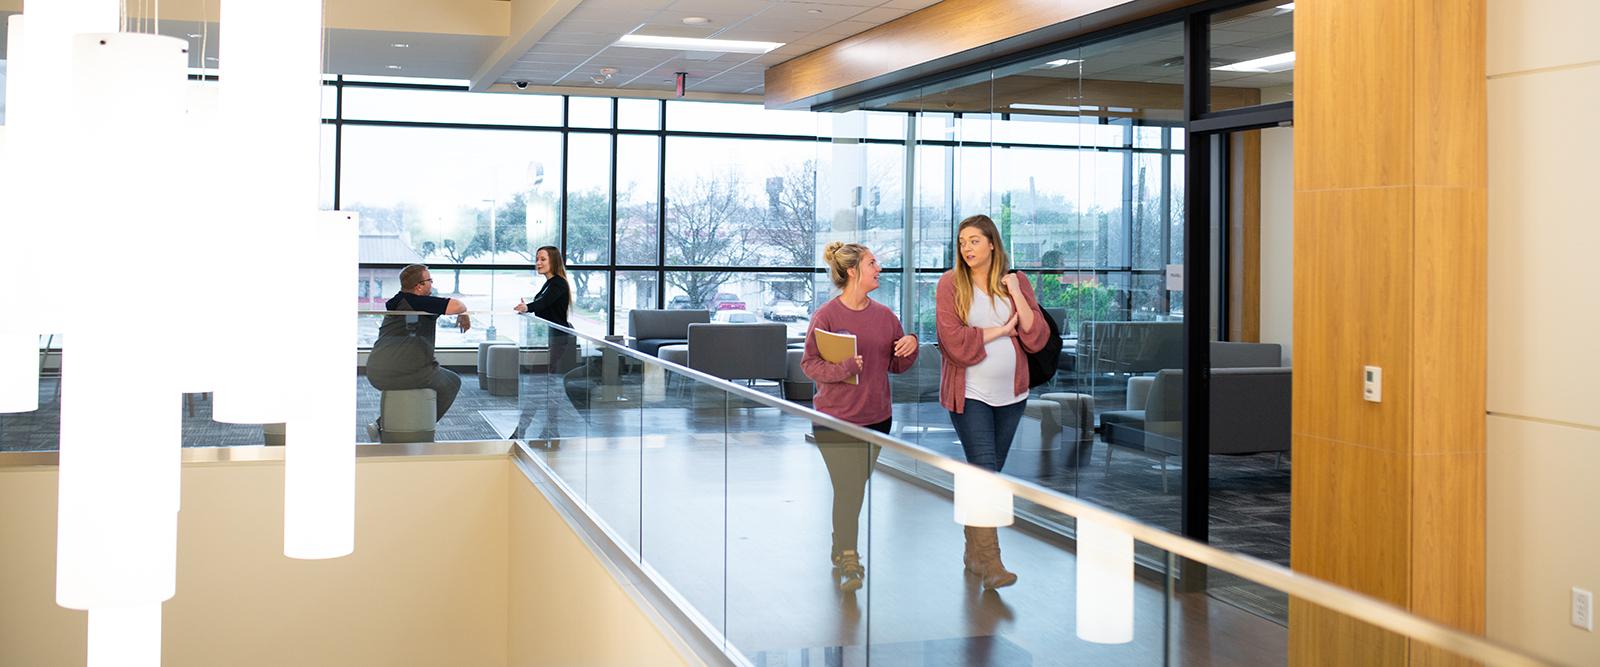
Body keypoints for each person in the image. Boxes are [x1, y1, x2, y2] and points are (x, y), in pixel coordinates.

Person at [935, 214, 1049, 589]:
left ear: (992, 244)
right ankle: (993, 564)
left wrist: (1015, 292)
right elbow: (952, 340)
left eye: (974, 241)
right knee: (984, 473)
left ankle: (973, 550)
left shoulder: (1016, 281)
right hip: (971, 393)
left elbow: (1035, 336)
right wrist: (1000, 330)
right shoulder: (951, 283)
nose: (966, 248)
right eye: (962, 242)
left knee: (987, 474)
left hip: (1013, 394)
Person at [801, 241, 918, 592]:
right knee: (848, 488)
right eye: (872, 263)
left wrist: (910, 345)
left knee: (854, 488)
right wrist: (844, 367)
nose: (878, 268)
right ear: (852, 271)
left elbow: (897, 365)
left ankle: (841, 547)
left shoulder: (886, 317)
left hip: (876, 418)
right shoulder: (827, 316)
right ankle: (849, 556)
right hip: (834, 420)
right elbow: (809, 365)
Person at [366, 264, 470, 438]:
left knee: (444, 378)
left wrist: (463, 312)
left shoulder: (401, 301)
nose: (432, 284)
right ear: (419, 286)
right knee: (452, 383)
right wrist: (463, 311)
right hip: (405, 371)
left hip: (377, 369)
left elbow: (450, 307)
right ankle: (420, 425)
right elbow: (458, 305)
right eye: (429, 280)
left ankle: (382, 423)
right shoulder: (418, 302)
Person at [513, 246, 573, 441]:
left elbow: (543, 304)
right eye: (537, 259)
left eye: (543, 259)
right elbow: (544, 304)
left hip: (557, 342)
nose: (538, 263)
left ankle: (521, 430)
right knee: (544, 386)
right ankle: (548, 429)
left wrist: (528, 306)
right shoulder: (550, 283)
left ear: (553, 261)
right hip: (550, 342)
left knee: (537, 386)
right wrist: (529, 306)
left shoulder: (558, 284)